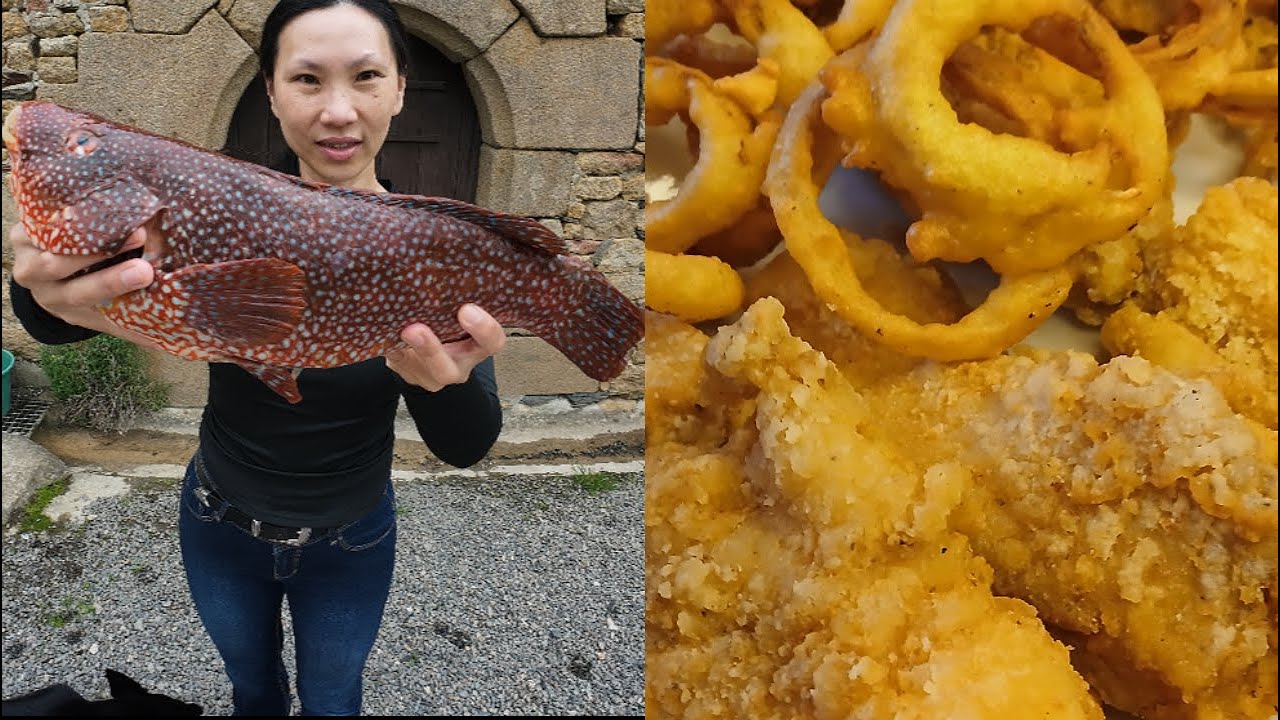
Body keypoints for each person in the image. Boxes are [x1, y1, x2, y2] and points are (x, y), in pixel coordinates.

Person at [7, 0, 507, 714]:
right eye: (307, 79)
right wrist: (41, 285)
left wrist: (435, 383)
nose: (338, 111)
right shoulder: (213, 209)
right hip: (218, 522)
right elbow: (63, 321)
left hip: (353, 539)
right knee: (252, 690)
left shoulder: (433, 249)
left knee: (333, 700)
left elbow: (467, 444)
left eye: (366, 76)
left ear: (400, 87)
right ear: (270, 92)